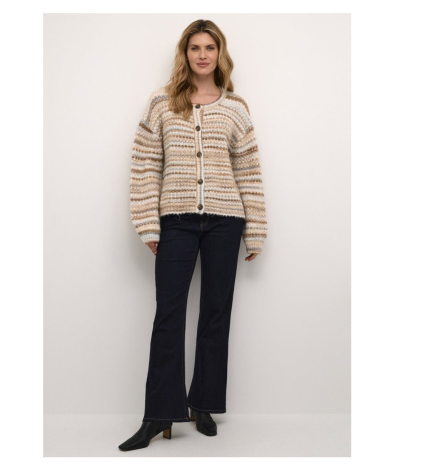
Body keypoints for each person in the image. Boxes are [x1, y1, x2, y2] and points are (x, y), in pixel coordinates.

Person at [118, 18, 268, 452]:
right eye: (195, 48)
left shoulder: (236, 107)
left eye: (210, 47)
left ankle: (202, 403)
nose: (203, 55)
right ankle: (158, 414)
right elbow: (145, 165)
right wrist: (148, 223)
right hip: (177, 221)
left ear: (220, 54)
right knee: (169, 315)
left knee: (216, 313)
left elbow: (248, 170)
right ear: (185, 54)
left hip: (226, 221)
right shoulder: (162, 103)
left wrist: (255, 229)